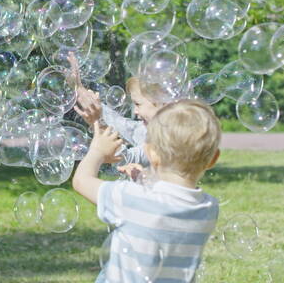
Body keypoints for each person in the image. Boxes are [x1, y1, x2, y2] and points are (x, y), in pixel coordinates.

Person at [72, 99, 221, 282]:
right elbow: (170, 200)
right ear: (213, 159)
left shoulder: (128, 197)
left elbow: (81, 181)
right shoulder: (208, 208)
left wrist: (97, 150)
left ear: (151, 153)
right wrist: (144, 180)